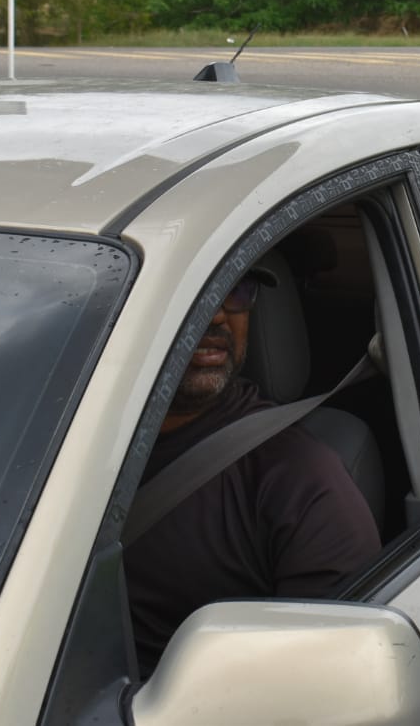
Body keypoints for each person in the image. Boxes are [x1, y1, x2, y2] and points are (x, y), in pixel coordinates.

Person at [123, 267, 381, 676]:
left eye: (236, 290)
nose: (216, 315)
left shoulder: (301, 482)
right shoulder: (48, 441)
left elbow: (321, 685)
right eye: (188, 291)